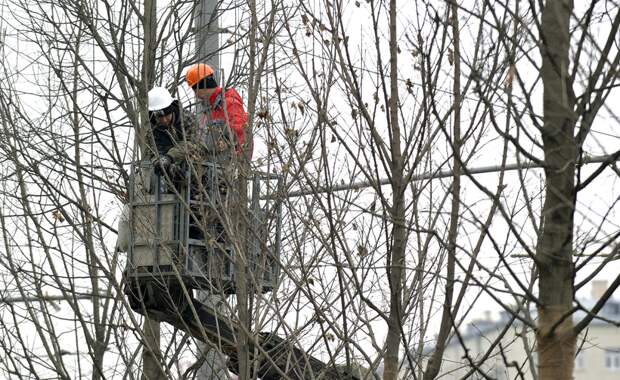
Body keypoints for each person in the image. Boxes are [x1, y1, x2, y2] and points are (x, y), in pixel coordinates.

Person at [184, 63, 250, 163]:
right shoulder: (209, 110)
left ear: (202, 86)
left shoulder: (229, 104)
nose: (196, 95)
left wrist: (238, 168)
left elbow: (242, 137)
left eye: (195, 90)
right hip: (210, 169)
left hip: (226, 171)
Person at [147, 86, 196, 177]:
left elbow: (195, 144)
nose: (165, 120)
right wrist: (159, 162)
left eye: (167, 115)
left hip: (195, 167)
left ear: (172, 109)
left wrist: (170, 157)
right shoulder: (152, 130)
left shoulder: (187, 119)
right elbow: (153, 152)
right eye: (160, 118)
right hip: (168, 177)